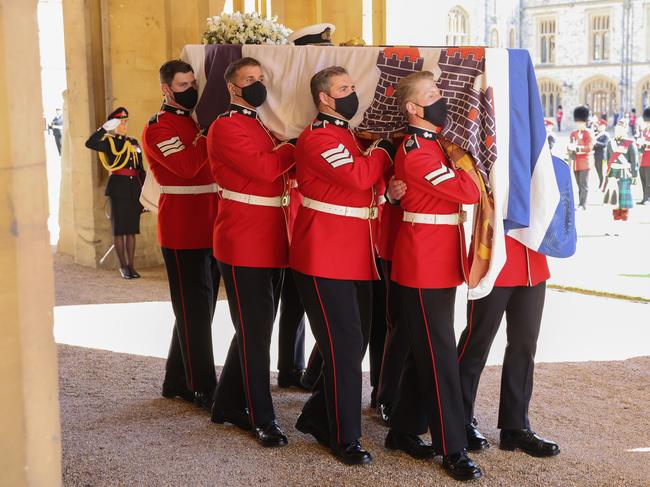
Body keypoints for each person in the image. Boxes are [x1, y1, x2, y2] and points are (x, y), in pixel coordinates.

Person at [290, 66, 394, 465]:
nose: (352, 94)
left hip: (353, 255)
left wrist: (385, 186)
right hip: (324, 255)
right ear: (324, 99)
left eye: (353, 86)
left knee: (353, 344)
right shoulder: (318, 136)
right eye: (343, 89)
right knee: (346, 349)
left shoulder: (344, 133)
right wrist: (384, 151)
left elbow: (366, 188)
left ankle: (317, 416)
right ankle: (343, 436)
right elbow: (357, 176)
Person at [384, 71, 482, 481]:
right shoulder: (418, 150)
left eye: (440, 91)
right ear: (412, 108)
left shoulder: (432, 145)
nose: (440, 98)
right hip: (424, 261)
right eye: (432, 94)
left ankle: (405, 429)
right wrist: (467, 162)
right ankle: (452, 447)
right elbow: (468, 191)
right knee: (440, 355)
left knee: (421, 349)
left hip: (435, 257)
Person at [207, 57, 296, 447]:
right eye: (249, 79)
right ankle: (262, 417)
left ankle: (226, 403)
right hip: (243, 241)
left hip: (269, 238)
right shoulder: (225, 126)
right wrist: (294, 147)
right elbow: (264, 169)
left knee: (254, 328)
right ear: (233, 88)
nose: (257, 84)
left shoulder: (259, 123)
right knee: (257, 332)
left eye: (261, 78)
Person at [141, 59, 220, 411]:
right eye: (183, 86)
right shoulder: (158, 128)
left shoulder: (194, 120)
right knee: (194, 309)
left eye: (193, 84)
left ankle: (176, 379)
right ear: (166, 89)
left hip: (211, 221)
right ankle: (203, 386)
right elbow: (187, 166)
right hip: (183, 228)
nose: (190, 91)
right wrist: (211, 134)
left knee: (197, 310)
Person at [457, 234, 561, 459]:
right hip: (493, 259)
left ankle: (515, 427)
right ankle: (458, 421)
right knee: (476, 344)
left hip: (532, 262)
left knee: (524, 346)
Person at [85, 107, 145, 279]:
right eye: (121, 122)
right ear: (114, 124)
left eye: (126, 122)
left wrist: (144, 193)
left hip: (133, 188)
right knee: (119, 230)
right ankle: (123, 267)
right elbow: (89, 143)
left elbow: (140, 168)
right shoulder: (108, 142)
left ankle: (132, 266)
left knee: (132, 230)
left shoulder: (133, 142)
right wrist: (104, 128)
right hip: (118, 188)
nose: (125, 125)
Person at [603, 120, 639, 226]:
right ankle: (615, 220)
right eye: (616, 129)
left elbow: (634, 161)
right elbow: (608, 159)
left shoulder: (630, 143)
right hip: (613, 173)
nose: (618, 131)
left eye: (620, 129)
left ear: (625, 130)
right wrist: (608, 174)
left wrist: (634, 175)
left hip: (625, 173)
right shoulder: (611, 143)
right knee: (614, 198)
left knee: (624, 197)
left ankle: (624, 220)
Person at [567, 105, 592, 210]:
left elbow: (589, 148)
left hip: (585, 162)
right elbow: (570, 146)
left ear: (585, 122)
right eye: (577, 122)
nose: (579, 124)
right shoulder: (573, 133)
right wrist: (569, 148)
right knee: (578, 185)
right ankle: (580, 203)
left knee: (583, 185)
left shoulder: (588, 133)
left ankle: (583, 204)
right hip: (576, 163)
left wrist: (577, 148)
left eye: (581, 122)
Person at [636, 108, 650, 205]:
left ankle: (647, 199)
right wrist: (639, 143)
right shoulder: (644, 131)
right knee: (643, 180)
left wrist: (645, 142)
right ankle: (644, 197)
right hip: (642, 159)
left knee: (648, 181)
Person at [593, 119, 610, 189]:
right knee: (598, 171)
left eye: (601, 126)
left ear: (604, 127)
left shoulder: (605, 135)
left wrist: (595, 143)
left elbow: (604, 144)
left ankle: (602, 185)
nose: (599, 127)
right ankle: (600, 183)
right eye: (598, 126)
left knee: (602, 171)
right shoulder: (596, 134)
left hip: (602, 156)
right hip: (595, 155)